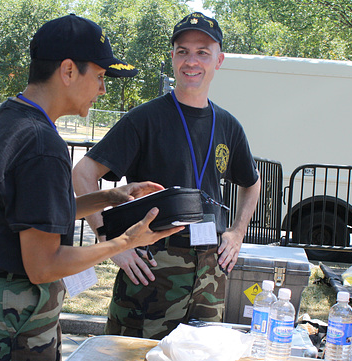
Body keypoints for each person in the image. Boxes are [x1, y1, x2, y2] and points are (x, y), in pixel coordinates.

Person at [0, 14, 183, 361]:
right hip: (14, 329)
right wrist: (123, 242)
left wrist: (112, 195)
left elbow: (26, 212)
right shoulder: (42, 144)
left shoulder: (11, 119)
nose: (102, 88)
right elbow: (44, 265)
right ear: (68, 70)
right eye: (99, 75)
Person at [72, 12, 261, 340]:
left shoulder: (228, 125)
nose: (192, 61)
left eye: (203, 52)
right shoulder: (144, 119)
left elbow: (252, 183)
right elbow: (84, 173)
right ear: (172, 57)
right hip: (151, 271)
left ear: (219, 60)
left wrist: (237, 232)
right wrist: (110, 243)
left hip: (209, 277)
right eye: (183, 51)